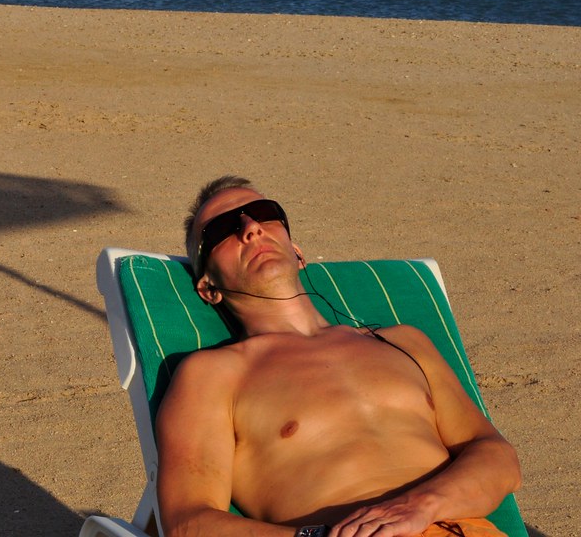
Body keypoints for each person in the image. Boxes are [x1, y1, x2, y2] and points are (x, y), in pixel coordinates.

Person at [155, 176, 521, 537]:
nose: (250, 228)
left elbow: (498, 457)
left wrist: (420, 507)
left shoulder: (403, 342)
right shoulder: (213, 374)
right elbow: (189, 520)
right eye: (222, 229)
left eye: (263, 213)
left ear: (297, 253)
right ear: (208, 288)